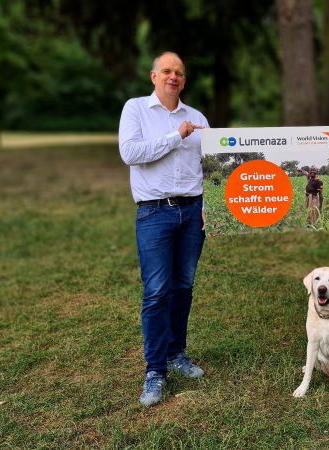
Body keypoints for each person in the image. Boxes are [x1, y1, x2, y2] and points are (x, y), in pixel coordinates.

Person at [118, 51, 209, 407]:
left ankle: (176, 354)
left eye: (179, 73)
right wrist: (175, 136)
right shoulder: (136, 109)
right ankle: (155, 371)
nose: (173, 77)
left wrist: (211, 209)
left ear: (184, 81)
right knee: (156, 292)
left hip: (192, 212)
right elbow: (130, 153)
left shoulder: (197, 117)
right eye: (167, 71)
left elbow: (211, 165)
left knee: (183, 286)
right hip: (154, 213)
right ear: (153, 76)